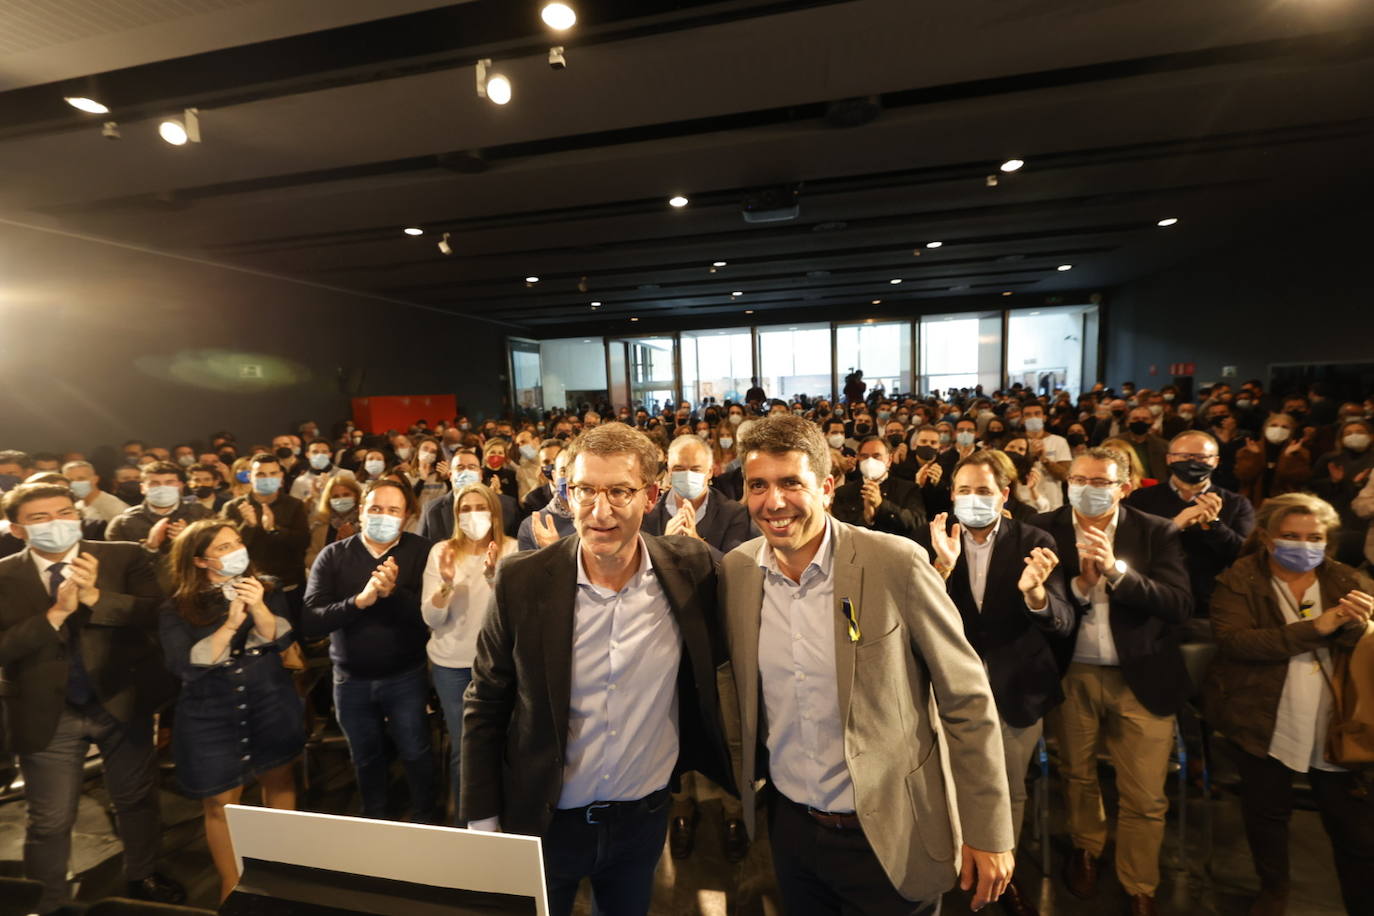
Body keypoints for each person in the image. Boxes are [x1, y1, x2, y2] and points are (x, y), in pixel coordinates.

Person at [718, 415, 1015, 915]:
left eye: (792, 482)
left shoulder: (894, 563)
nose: (774, 502)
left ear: (827, 487)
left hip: (890, 831)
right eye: (758, 486)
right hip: (791, 829)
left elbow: (966, 700)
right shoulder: (739, 571)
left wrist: (988, 830)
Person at [461, 424, 732, 916]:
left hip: (642, 820)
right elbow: (485, 701)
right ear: (567, 493)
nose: (599, 510)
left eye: (619, 492)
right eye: (584, 490)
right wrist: (482, 820)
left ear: (652, 496)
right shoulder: (522, 581)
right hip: (543, 819)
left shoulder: (690, 568)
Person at [0, 483, 183, 913]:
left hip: (121, 700)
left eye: (65, 512)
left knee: (136, 799)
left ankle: (143, 874)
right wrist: (55, 614)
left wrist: (96, 598)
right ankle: (48, 900)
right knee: (50, 819)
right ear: (17, 529)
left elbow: (158, 613)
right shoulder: (3, 575)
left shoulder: (123, 555)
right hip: (47, 711)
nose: (57, 524)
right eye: (40, 518)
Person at [1029, 448, 1193, 915]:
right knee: (1077, 774)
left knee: (1144, 791)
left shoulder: (1154, 531)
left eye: (1099, 482)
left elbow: (1179, 604)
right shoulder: (1044, 527)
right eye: (1078, 479)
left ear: (1123, 487)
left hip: (1140, 674)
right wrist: (1080, 587)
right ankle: (1086, 847)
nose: (1086, 489)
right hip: (1071, 672)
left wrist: (1118, 575)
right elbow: (1035, 605)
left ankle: (1139, 881)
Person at [1206, 493, 1374, 916]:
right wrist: (1319, 626)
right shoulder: (1238, 581)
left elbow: (1361, 650)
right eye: (1291, 536)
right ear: (1266, 538)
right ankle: (1273, 889)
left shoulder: (1346, 580)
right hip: (1263, 716)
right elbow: (1237, 642)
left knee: (1351, 828)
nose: (1304, 545)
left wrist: (1365, 627)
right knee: (1267, 816)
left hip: (1336, 720)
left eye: (1314, 537)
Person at [922, 452, 1074, 916]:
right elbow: (916, 621)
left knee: (1007, 789)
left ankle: (1001, 877)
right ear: (951, 495)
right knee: (942, 785)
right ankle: (949, 871)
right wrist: (940, 572)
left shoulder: (1034, 541)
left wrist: (1035, 594)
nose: (973, 500)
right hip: (946, 691)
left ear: (1004, 496)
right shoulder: (928, 542)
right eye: (964, 491)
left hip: (1015, 690)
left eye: (984, 491)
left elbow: (1063, 622)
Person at [159, 520, 304, 900]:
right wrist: (230, 623)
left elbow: (282, 639)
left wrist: (257, 606)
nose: (236, 550)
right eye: (223, 547)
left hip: (269, 700)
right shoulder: (178, 605)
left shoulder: (266, 586)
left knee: (280, 781)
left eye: (237, 542)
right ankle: (232, 884)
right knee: (222, 803)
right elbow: (185, 665)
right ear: (200, 560)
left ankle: (281, 866)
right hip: (211, 711)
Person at [302, 479, 437, 822]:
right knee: (364, 755)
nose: (383, 516)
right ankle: (374, 817)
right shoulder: (334, 555)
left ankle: (426, 817)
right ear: (361, 511)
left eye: (393, 510)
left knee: (415, 750)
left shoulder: (423, 552)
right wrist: (358, 602)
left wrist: (394, 593)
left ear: (407, 516)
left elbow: (432, 617)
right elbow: (313, 619)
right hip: (351, 680)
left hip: (405, 675)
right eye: (375, 508)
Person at [420, 483, 517, 822]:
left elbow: (515, 617)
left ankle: (506, 819)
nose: (473, 514)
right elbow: (431, 618)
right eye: (465, 508)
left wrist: (494, 579)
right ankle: (470, 824)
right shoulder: (442, 552)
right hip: (452, 665)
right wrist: (446, 584)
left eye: (481, 507)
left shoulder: (513, 550)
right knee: (465, 749)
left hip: (499, 666)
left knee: (505, 744)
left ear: (494, 512)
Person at [1127, 430, 1255, 621]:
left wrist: (1214, 524)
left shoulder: (1236, 503)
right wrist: (1174, 525)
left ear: (1216, 461)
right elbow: (1131, 547)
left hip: (1211, 602)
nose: (1193, 462)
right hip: (1155, 597)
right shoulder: (1141, 499)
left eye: (1202, 457)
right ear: (1169, 459)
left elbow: (1244, 555)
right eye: (1185, 456)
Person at [222, 453, 311, 625]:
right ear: (250, 476)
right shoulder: (233, 507)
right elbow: (226, 550)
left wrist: (273, 529)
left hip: (288, 584)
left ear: (280, 475)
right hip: (248, 586)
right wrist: (249, 525)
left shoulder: (294, 505)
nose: (267, 478)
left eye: (272, 473)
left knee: (292, 635)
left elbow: (302, 543)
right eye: (261, 474)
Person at [642, 434, 753, 558]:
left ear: (710, 472)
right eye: (679, 469)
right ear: (669, 470)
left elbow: (735, 567)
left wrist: (697, 543)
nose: (687, 475)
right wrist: (663, 548)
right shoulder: (649, 513)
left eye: (695, 469)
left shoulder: (733, 513)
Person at [106, 461, 213, 576]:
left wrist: (188, 540)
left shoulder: (203, 515)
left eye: (169, 482)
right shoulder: (123, 522)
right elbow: (118, 565)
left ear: (180, 486)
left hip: (192, 581)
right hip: (145, 585)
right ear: (143, 488)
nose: (162, 488)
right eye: (154, 483)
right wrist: (150, 547)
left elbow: (217, 555)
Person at [830, 435, 926, 538]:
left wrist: (882, 504)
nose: (870, 461)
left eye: (876, 456)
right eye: (864, 456)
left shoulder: (908, 489)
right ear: (858, 458)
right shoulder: (843, 492)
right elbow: (839, 531)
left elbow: (918, 523)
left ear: (889, 460)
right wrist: (866, 518)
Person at [422, 448, 520, 540]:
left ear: (481, 474)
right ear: (450, 475)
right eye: (460, 468)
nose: (466, 471)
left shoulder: (508, 505)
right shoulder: (431, 509)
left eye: (472, 467)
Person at [1235, 412, 1313, 507]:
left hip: (1286, 503)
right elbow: (1244, 476)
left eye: (1285, 427)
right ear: (1265, 428)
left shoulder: (1300, 452)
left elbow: (1298, 479)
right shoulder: (1249, 449)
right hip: (1253, 503)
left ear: (1291, 431)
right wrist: (1255, 456)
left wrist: (1288, 457)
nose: (1278, 429)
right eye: (1274, 425)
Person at [517, 447, 577, 551]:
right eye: (564, 471)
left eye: (576, 470)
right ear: (554, 476)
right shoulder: (531, 526)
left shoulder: (606, 520)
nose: (570, 477)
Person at [306, 475, 362, 570]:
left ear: (356, 495)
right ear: (329, 500)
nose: (341, 499)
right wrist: (329, 559)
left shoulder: (365, 523)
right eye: (336, 496)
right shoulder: (321, 524)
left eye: (346, 494)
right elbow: (309, 558)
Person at [62, 460, 129, 524]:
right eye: (70, 480)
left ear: (95, 479)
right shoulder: (77, 506)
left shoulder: (114, 507)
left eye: (81, 479)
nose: (75, 483)